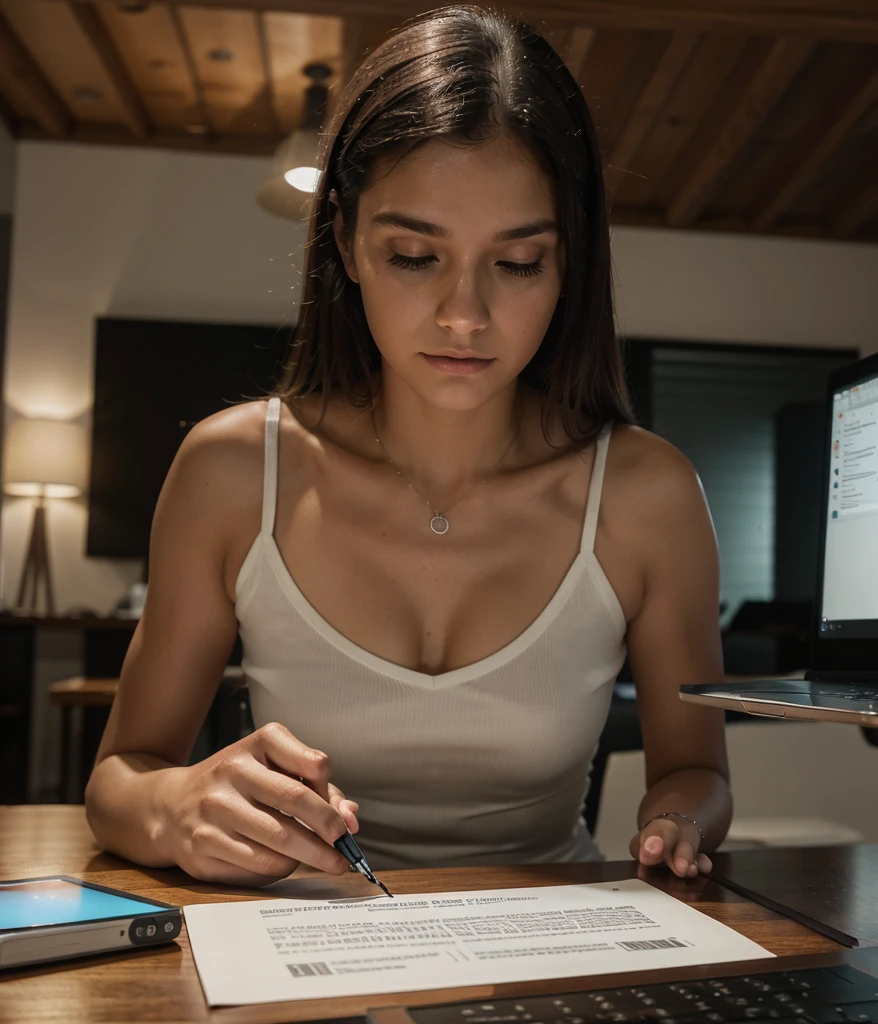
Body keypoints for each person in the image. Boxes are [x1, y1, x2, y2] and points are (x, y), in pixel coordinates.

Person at [84, 5, 730, 888]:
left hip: (551, 960)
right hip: (306, 951)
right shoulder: (235, 472)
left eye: (517, 263)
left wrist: (678, 822)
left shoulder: (648, 494)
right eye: (415, 256)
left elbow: (696, 771)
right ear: (346, 240)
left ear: (569, 261)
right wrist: (178, 807)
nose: (464, 315)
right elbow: (123, 777)